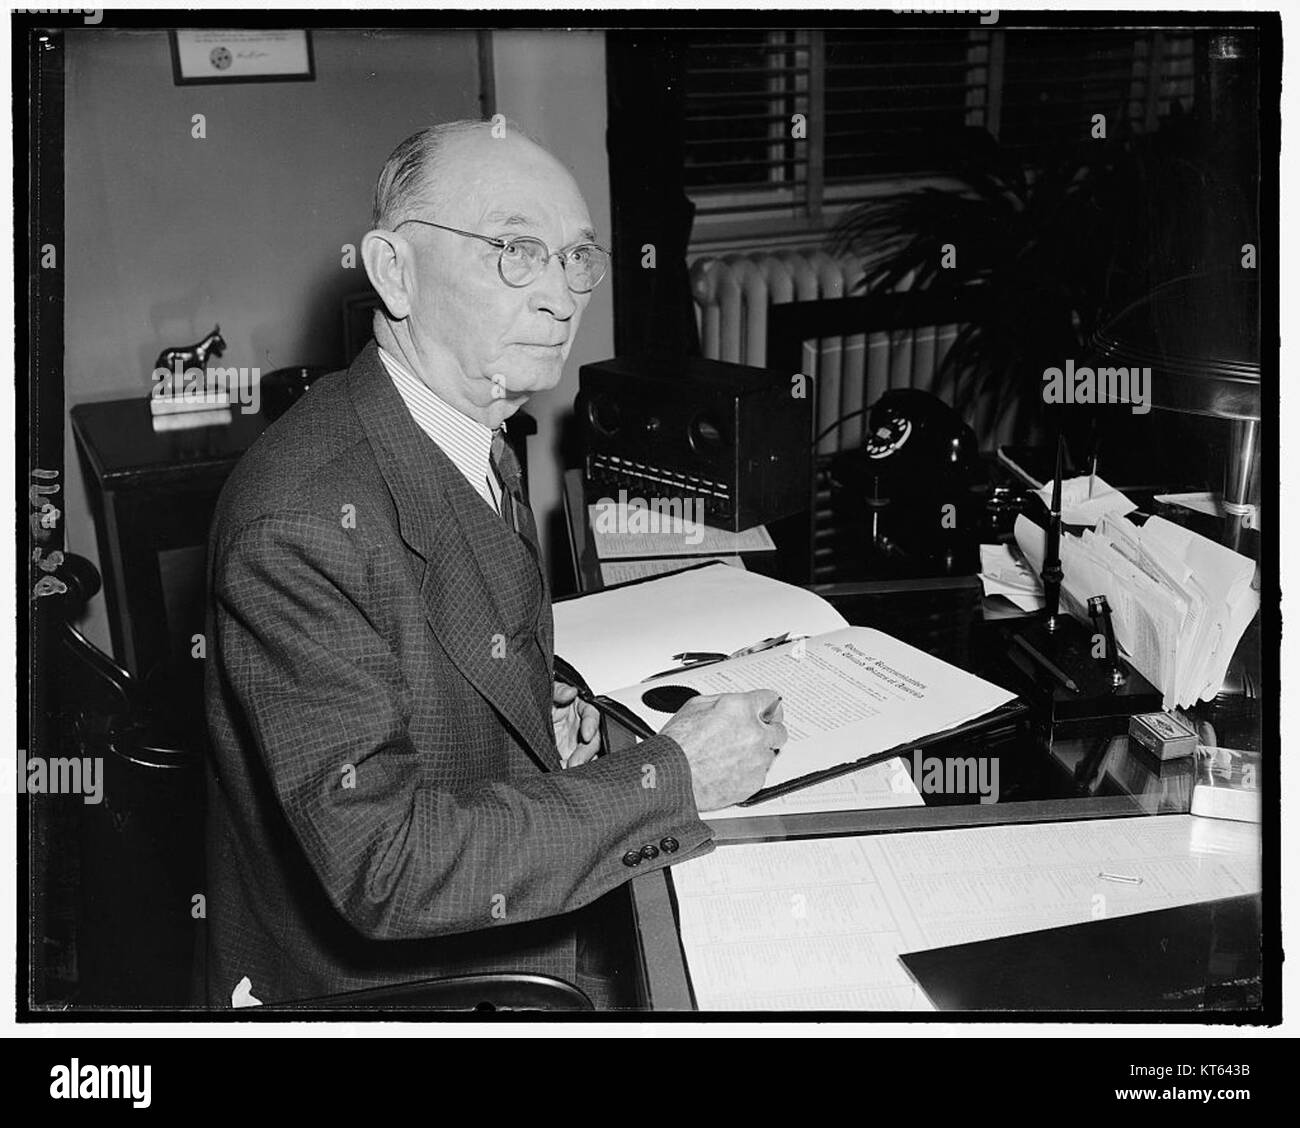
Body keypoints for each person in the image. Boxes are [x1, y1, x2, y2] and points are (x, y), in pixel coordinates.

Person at [200, 119, 787, 1008]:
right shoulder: (299, 523)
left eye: (577, 258)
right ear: (394, 272)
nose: (561, 296)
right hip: (386, 989)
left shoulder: (465, 427)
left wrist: (530, 711)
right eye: (515, 251)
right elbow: (385, 866)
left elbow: (437, 622)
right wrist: (672, 775)